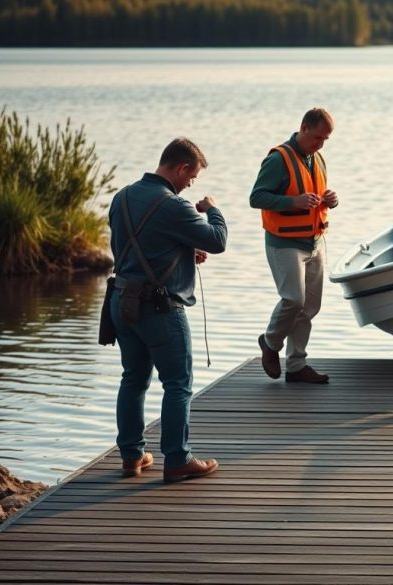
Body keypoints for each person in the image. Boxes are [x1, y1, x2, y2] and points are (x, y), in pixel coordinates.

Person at [108, 137, 227, 483]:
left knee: (133, 379)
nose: (191, 185)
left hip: (121, 300)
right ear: (182, 168)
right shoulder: (176, 206)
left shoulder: (122, 196)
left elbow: (134, 246)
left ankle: (132, 456)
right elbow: (217, 241)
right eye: (192, 178)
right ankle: (177, 458)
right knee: (178, 383)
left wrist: (185, 253)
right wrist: (212, 209)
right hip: (160, 307)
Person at [250, 108, 338, 384]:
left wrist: (329, 199)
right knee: (293, 299)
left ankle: (297, 365)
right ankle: (270, 342)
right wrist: (294, 202)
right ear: (303, 128)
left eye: (325, 139)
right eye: (317, 137)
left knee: (310, 306)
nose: (321, 144)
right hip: (284, 243)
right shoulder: (278, 159)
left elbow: (314, 193)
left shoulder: (317, 158)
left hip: (315, 241)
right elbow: (256, 197)